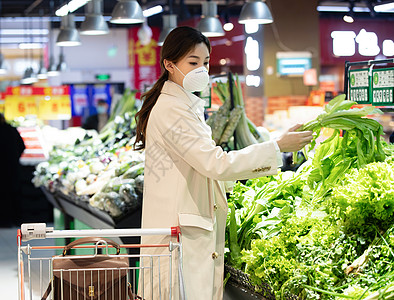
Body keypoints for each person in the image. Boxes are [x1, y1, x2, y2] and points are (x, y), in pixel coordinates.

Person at [134, 27, 313, 299]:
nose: (202, 70)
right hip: (179, 235)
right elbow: (214, 163)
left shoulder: (181, 105)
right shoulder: (173, 110)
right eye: (193, 63)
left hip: (182, 229)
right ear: (169, 64)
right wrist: (276, 147)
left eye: (205, 62)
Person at [0, 113, 25, 227]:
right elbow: (22, 146)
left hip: (0, 169)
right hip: (14, 168)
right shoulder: (13, 130)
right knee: (15, 194)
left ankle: (3, 221)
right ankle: (17, 220)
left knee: (2, 196)